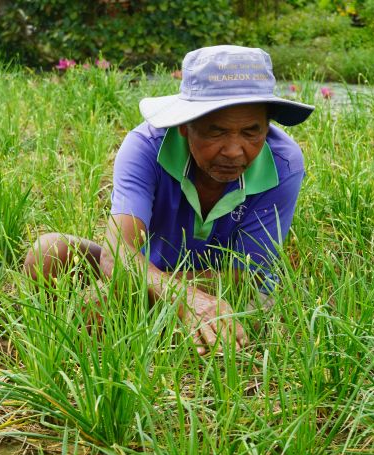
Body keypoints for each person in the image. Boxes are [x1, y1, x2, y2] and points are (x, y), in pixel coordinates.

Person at [23, 45, 314, 355]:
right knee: (49, 252)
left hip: (232, 291)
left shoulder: (283, 163)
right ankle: (52, 346)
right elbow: (116, 253)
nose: (233, 150)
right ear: (184, 125)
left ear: (267, 126)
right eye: (215, 131)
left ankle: (146, 333)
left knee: (104, 303)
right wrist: (182, 297)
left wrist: (152, 291)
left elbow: (245, 276)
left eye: (250, 132)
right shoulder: (147, 147)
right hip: (150, 273)